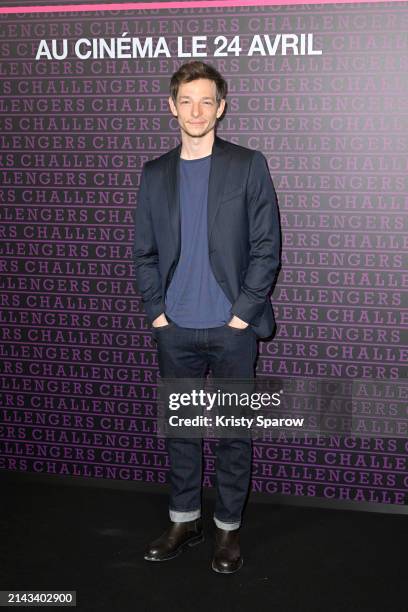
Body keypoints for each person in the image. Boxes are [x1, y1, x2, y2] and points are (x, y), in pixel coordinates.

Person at [133, 60, 281, 573]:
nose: (196, 111)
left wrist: (242, 314)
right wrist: (157, 314)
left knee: (234, 433)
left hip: (232, 329)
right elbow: (145, 253)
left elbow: (266, 248)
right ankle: (184, 520)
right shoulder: (154, 174)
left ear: (221, 107)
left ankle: (227, 531)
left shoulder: (247, 165)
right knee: (182, 432)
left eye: (206, 101)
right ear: (172, 107)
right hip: (175, 329)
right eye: (186, 101)